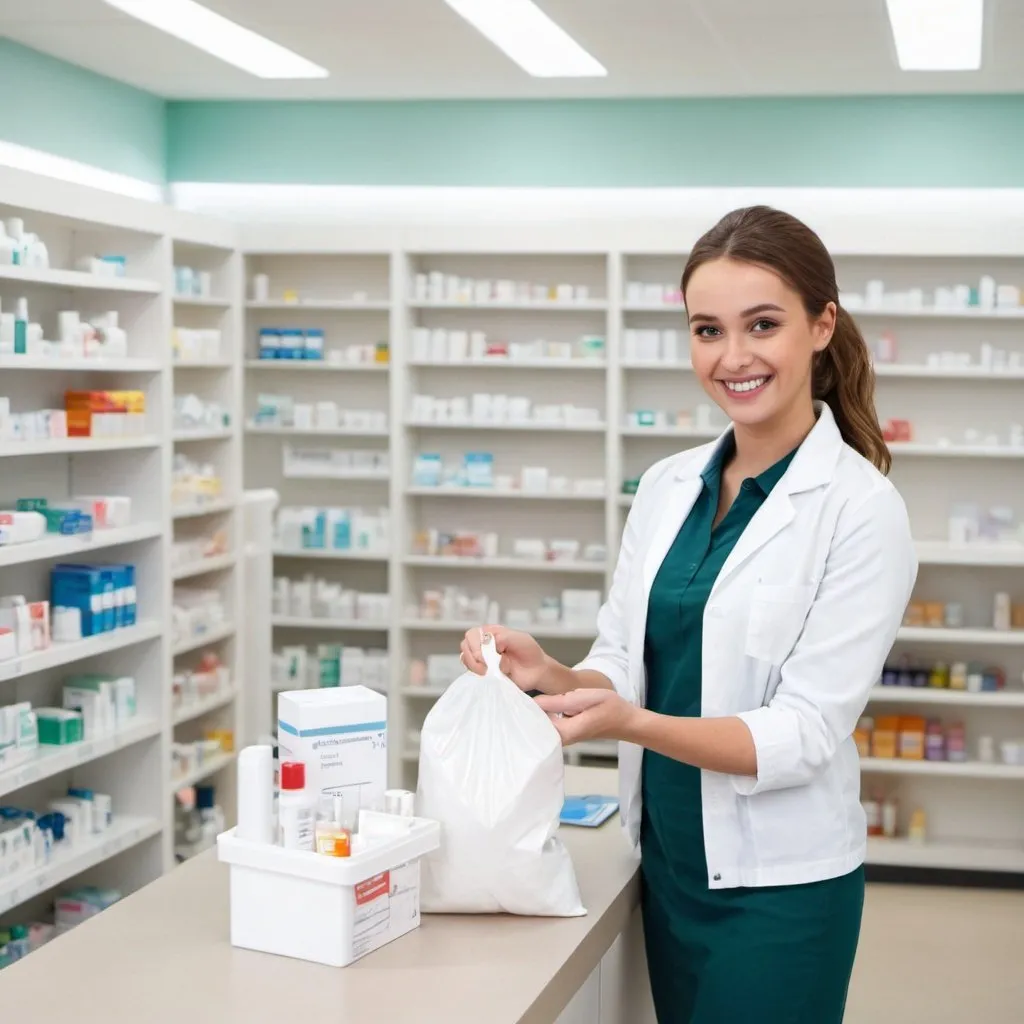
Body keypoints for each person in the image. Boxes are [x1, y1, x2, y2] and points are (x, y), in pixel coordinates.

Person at [460, 205, 918, 1024]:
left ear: (822, 325)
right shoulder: (670, 487)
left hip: (780, 891)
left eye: (763, 325)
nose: (733, 357)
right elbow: (625, 658)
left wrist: (632, 723)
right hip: (665, 865)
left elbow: (805, 731)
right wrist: (553, 675)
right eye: (708, 330)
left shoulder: (860, 509)